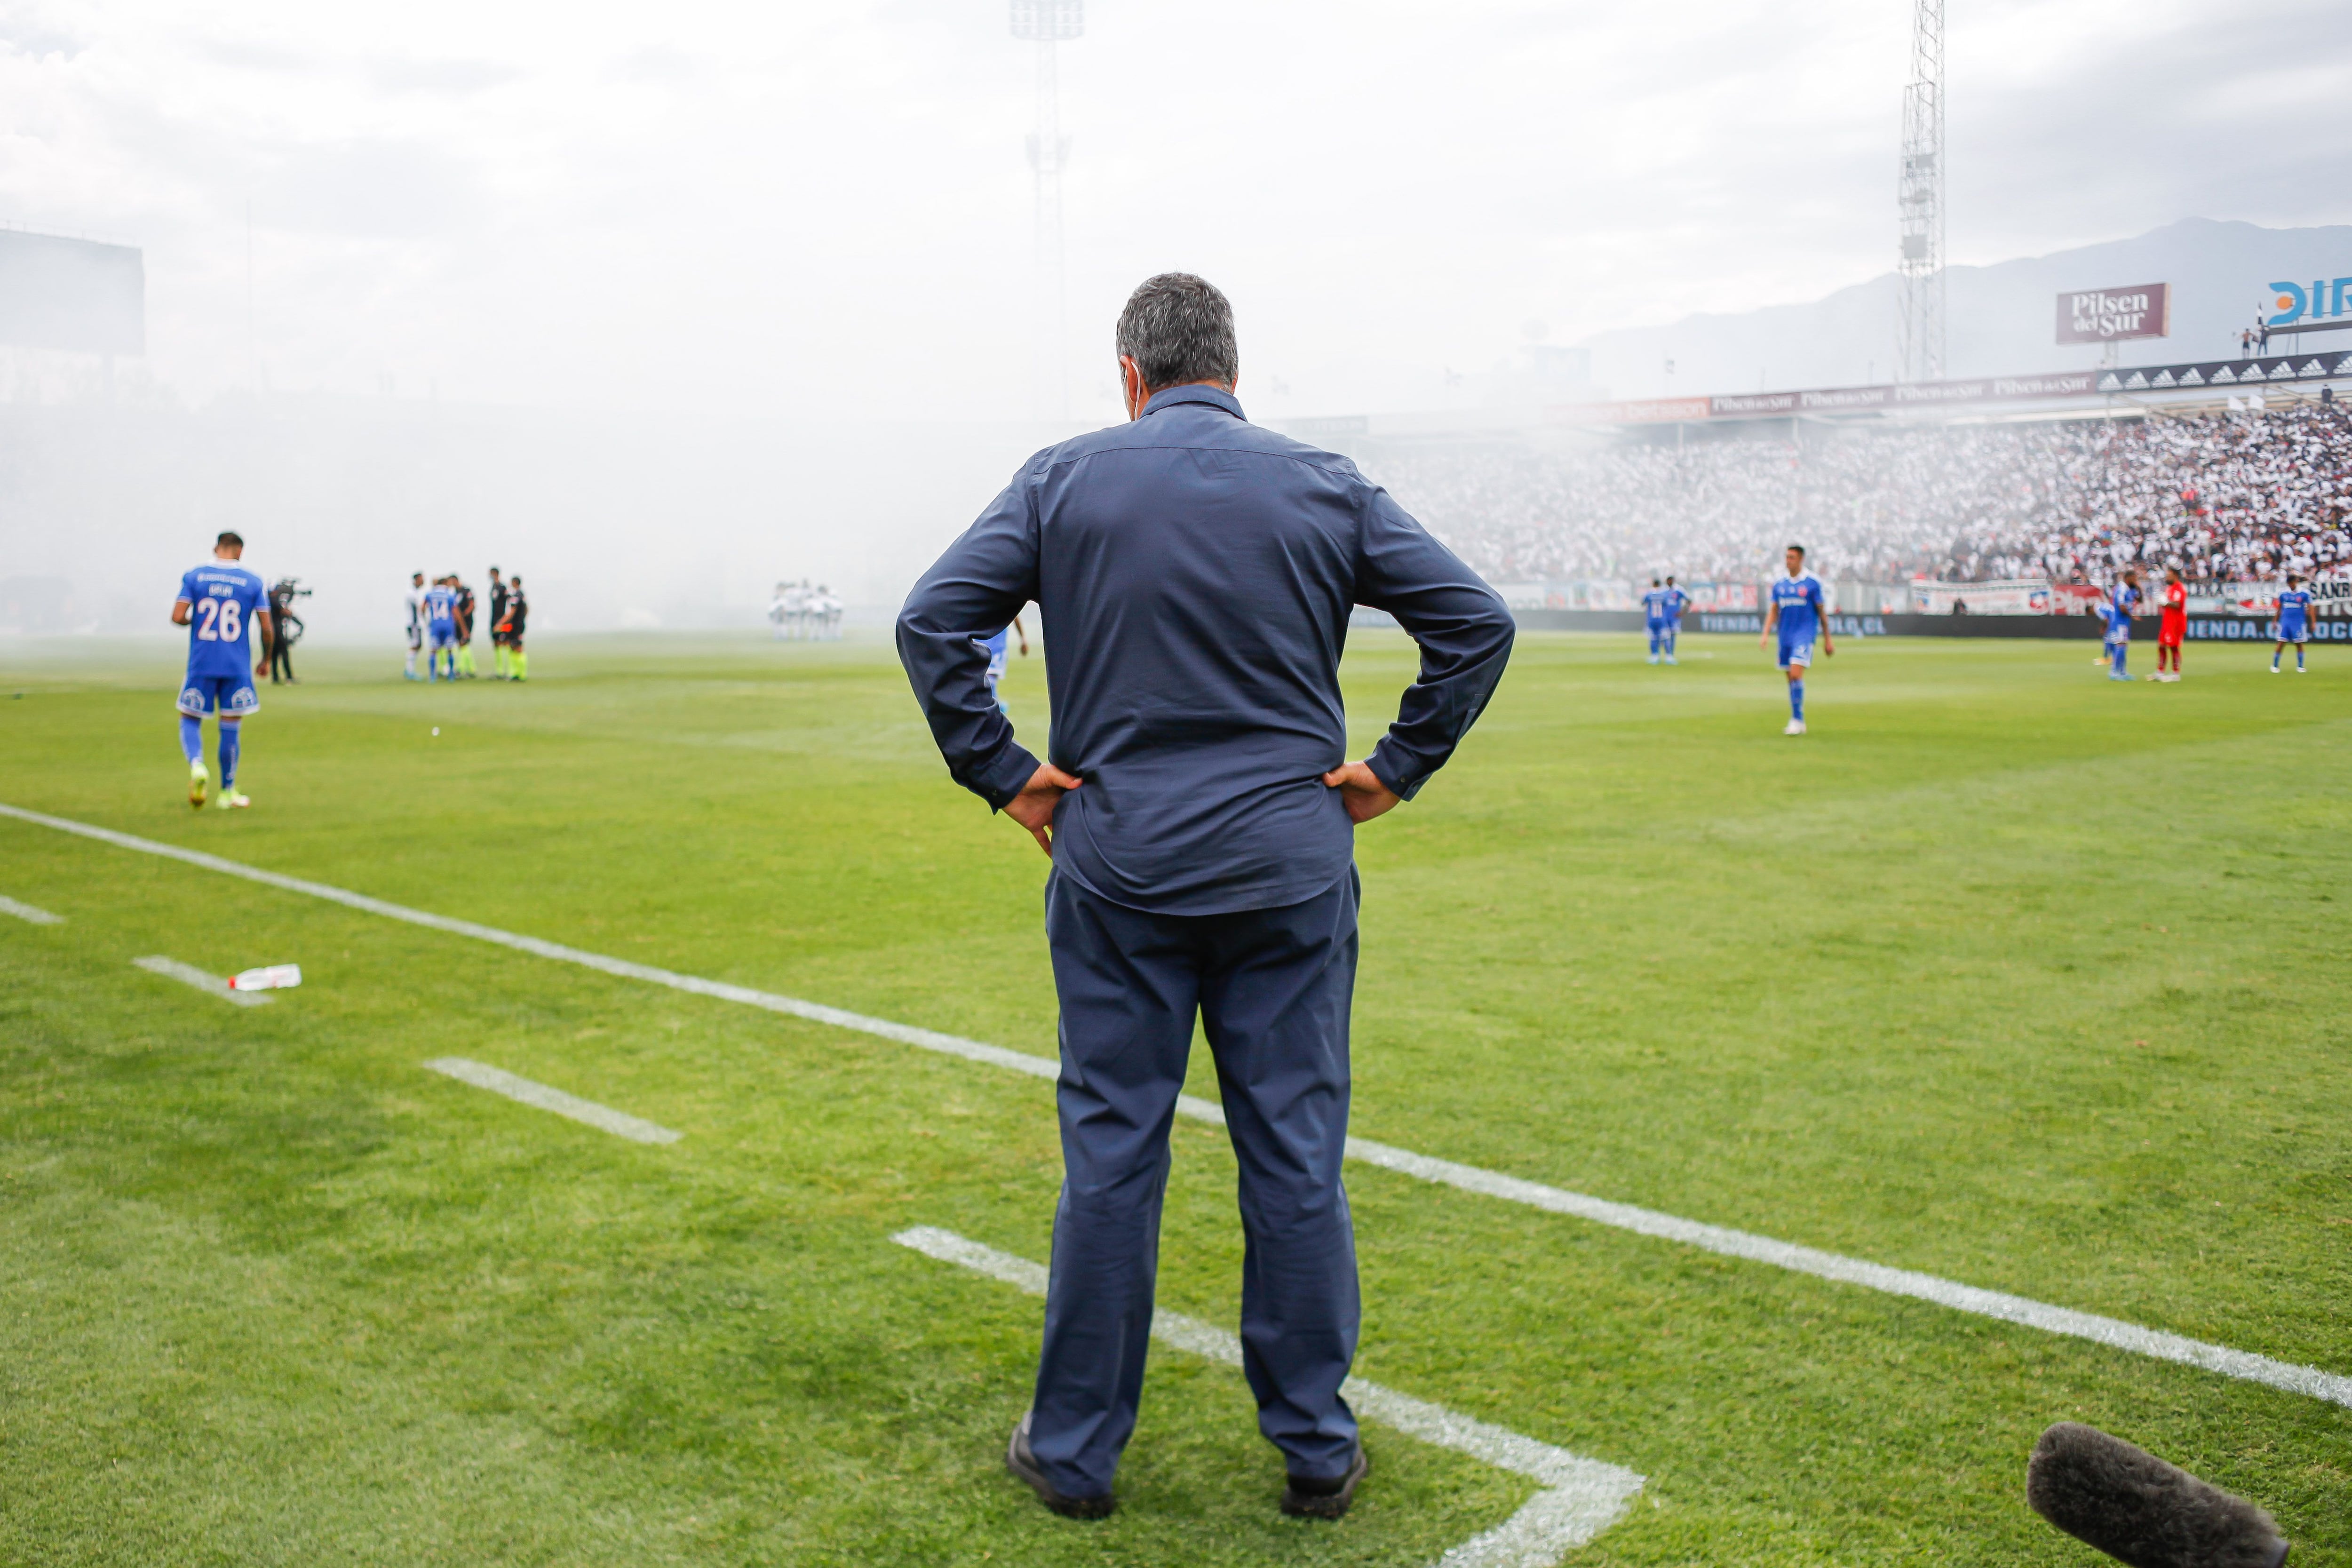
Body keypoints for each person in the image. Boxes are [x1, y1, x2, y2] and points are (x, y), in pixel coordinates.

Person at [898, 272, 1513, 1524]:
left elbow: (929, 621)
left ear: (1129, 375)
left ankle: (1074, 1451)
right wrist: (1395, 766)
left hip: (1120, 863)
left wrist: (1009, 776)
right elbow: (1475, 620)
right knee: (1293, 1148)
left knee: (1113, 1152)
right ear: (1234, 370)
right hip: (1286, 864)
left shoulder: (1062, 478)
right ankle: (1316, 1449)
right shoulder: (1325, 482)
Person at [172, 531, 273, 810]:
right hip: (236, 665)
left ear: (217, 548)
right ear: (239, 551)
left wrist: (196, 623)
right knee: (231, 726)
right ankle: (227, 792)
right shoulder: (252, 581)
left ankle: (197, 765)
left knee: (190, 718)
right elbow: (266, 627)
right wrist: (266, 661)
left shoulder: (195, 577)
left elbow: (178, 617)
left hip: (202, 662)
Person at [1758, 543, 1831, 734]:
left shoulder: (1812, 583)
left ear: (1801, 559)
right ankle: (1798, 717)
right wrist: (1765, 634)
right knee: (1790, 678)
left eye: (1792, 557)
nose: (1788, 561)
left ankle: (1797, 719)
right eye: (1787, 557)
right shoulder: (1780, 584)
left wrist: (1828, 639)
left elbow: (1822, 613)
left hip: (1804, 635)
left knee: (1797, 673)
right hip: (1785, 636)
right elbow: (1774, 611)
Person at [978, 612, 1031, 710]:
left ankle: (996, 708)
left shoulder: (1004, 600)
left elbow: (1015, 615)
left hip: (996, 648)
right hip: (980, 644)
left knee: (989, 681)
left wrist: (1023, 639)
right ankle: (997, 708)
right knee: (982, 681)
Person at [2104, 570, 2142, 681]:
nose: (2136, 581)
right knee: (2120, 645)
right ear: (2129, 578)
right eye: (2135, 579)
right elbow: (2122, 607)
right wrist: (2132, 616)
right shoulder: (2122, 589)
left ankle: (2122, 672)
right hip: (2119, 621)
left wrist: (2139, 587)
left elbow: (2140, 599)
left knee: (2124, 646)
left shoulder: (2130, 589)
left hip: (2125, 622)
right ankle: (2114, 672)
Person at [266, 576, 305, 685]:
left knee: (274, 654)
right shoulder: (274, 601)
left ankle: (275, 677)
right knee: (284, 653)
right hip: (278, 630)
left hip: (272, 631)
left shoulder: (269, 600)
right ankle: (289, 677)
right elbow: (285, 612)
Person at [2152, 566, 2186, 682]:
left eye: (2169, 576)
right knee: (2161, 645)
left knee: (2174, 647)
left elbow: (2177, 605)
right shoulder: (2170, 588)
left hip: (2176, 623)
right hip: (2167, 622)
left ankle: (2176, 674)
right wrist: (2164, 603)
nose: (2167, 578)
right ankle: (2160, 671)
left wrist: (2166, 602)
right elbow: (2168, 604)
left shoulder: (2179, 588)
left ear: (2175, 576)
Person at [2273, 573, 2312, 673]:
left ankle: (2300, 666)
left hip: (2298, 622)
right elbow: (2279, 608)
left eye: (2292, 583)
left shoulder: (2304, 593)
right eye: (2289, 583)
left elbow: (2311, 607)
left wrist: (2314, 622)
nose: (2291, 585)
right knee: (2281, 643)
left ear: (2296, 582)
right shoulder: (2283, 593)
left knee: (2299, 643)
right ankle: (2275, 666)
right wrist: (2275, 621)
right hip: (2285, 622)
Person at [425, 575, 460, 680]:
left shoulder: (430, 595)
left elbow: (422, 608)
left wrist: (427, 621)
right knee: (450, 650)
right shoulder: (450, 595)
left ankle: (433, 676)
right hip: (448, 625)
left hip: (435, 625)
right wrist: (460, 625)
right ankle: (451, 675)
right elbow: (455, 612)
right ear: (445, 583)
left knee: (433, 651)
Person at [500, 574, 528, 680]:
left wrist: (501, 622)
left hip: (515, 626)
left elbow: (512, 612)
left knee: (518, 648)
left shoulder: (516, 596)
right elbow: (527, 609)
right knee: (512, 646)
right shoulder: (522, 595)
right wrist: (522, 618)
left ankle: (521, 674)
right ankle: (516, 673)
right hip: (517, 625)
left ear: (515, 583)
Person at [1660, 574, 1690, 664]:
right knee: (1663, 636)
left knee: (1673, 635)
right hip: (1664, 617)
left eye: (1671, 581)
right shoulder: (1663, 591)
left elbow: (1689, 601)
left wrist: (1683, 612)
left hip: (1674, 617)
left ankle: (1670, 655)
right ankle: (1667, 652)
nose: (1670, 582)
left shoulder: (1679, 590)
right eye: (1668, 581)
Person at [453, 577, 479, 678]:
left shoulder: (466, 591)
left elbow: (472, 605)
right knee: (462, 644)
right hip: (458, 622)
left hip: (467, 621)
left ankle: (461, 669)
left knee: (464, 642)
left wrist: (464, 615)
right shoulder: (455, 593)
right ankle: (472, 669)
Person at [488, 567, 512, 677]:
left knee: (506, 642)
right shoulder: (493, 587)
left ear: (495, 574)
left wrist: (507, 618)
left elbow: (511, 602)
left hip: (503, 621)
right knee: (496, 643)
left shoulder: (503, 587)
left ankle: (509, 670)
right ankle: (499, 671)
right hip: (494, 620)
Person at [404, 571, 427, 680]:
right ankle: (409, 671)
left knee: (417, 646)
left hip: (415, 624)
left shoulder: (416, 592)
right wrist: (416, 624)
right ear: (416, 580)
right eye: (421, 579)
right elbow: (415, 610)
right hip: (414, 624)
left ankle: (409, 670)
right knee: (415, 645)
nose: (423, 581)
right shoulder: (411, 593)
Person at [1640, 576, 1669, 663]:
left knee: (1653, 638)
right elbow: (1666, 605)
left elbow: (1643, 603)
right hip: (1662, 620)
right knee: (1665, 638)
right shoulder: (1664, 594)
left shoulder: (1649, 594)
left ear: (1653, 584)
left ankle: (1655, 656)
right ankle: (1669, 657)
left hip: (1652, 620)